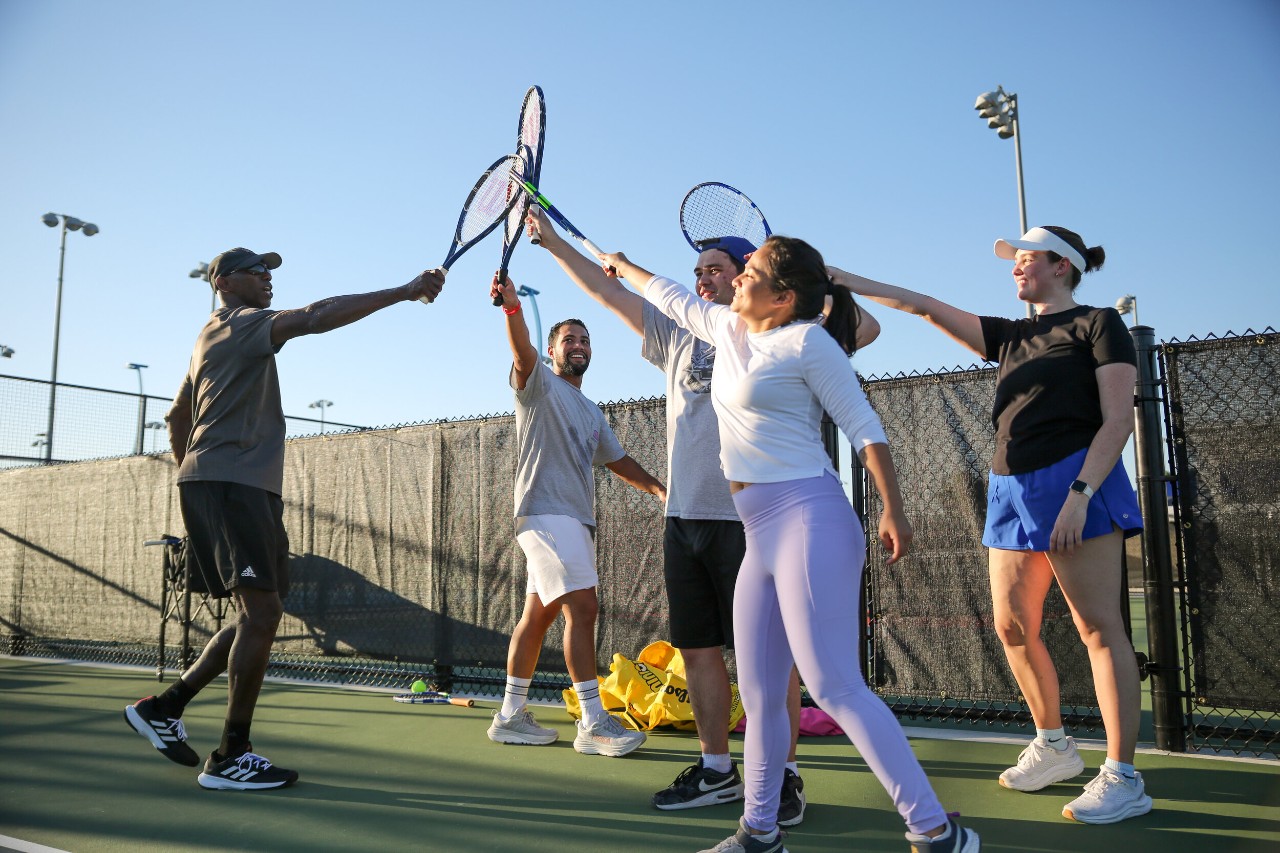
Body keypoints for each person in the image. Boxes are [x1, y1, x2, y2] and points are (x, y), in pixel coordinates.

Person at [600, 238, 979, 853]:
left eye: (750, 272)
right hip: (758, 534)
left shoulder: (807, 344)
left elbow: (865, 427)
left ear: (783, 297)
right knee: (758, 698)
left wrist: (894, 509)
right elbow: (666, 295)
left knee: (833, 686)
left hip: (810, 519)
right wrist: (624, 267)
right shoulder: (727, 330)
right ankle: (759, 832)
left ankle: (935, 830)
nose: (737, 278)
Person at [529, 208, 880, 822]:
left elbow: (867, 327)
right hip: (686, 517)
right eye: (697, 271)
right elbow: (608, 287)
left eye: (715, 269)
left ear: (747, 275)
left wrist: (822, 279)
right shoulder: (677, 334)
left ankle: (787, 776)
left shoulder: (781, 334)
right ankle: (718, 769)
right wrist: (555, 243)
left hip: (757, 518)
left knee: (772, 659)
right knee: (698, 649)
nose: (703, 279)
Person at [836, 225, 1150, 825]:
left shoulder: (1098, 323)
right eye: (1016, 261)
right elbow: (922, 305)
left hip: (1076, 482)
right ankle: (1054, 745)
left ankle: (1123, 776)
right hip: (1011, 486)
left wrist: (1081, 495)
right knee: (1011, 627)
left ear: (1063, 267)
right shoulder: (1010, 335)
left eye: (1026, 259)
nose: (1016, 268)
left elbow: (1117, 421)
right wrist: (848, 280)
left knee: (1098, 629)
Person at [124, 247, 445, 790]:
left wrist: (194, 469)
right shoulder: (242, 323)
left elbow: (178, 415)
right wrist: (405, 290)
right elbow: (316, 316)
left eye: (271, 271)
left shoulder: (206, 339)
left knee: (263, 608)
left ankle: (167, 706)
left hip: (233, 483)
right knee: (261, 611)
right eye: (257, 271)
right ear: (225, 282)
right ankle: (229, 756)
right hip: (233, 484)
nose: (267, 279)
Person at [486, 271, 667, 758]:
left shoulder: (591, 411)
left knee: (538, 615)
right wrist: (511, 308)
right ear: (553, 352)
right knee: (582, 608)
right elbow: (521, 350)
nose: (579, 345)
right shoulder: (538, 383)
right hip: (546, 515)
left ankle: (509, 715)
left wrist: (658, 489)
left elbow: (617, 460)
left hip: (573, 521)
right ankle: (592, 721)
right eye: (569, 339)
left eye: (585, 339)